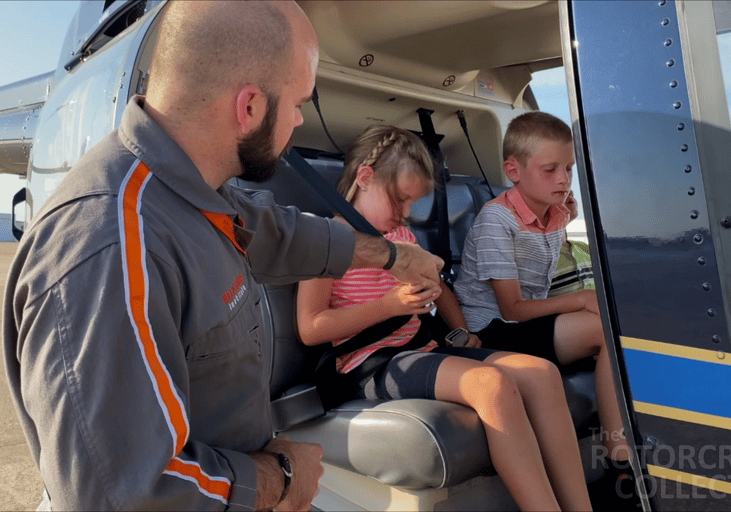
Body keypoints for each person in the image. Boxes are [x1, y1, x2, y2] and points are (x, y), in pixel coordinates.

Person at [2, 2, 443, 511]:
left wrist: (392, 257)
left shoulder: (192, 191)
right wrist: (281, 475)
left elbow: (277, 234)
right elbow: (124, 494)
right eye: (298, 103)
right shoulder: (106, 247)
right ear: (249, 107)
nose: (300, 119)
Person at [297, 125, 593, 511]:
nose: (404, 215)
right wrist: (388, 306)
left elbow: (441, 288)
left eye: (410, 206)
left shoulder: (401, 238)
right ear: (365, 179)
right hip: (370, 362)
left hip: (423, 347)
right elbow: (310, 327)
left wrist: (460, 330)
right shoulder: (327, 241)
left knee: (542, 374)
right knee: (491, 385)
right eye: (400, 200)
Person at [453, 112, 633, 489]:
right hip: (494, 329)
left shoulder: (555, 214)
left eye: (568, 168)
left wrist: (564, 215)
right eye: (550, 169)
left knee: (620, 324)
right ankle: (620, 459)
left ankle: (625, 449)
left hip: (526, 324)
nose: (564, 179)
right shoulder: (495, 222)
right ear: (513, 171)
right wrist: (580, 300)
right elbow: (511, 309)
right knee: (603, 329)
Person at [548, 191, 595, 297]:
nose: (570, 194)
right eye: (559, 193)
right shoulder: (537, 257)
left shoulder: (587, 248)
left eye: (571, 193)